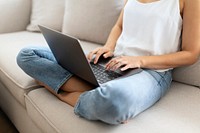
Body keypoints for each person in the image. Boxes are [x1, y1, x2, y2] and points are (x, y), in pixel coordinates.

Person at [17, 0, 200, 125]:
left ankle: (60, 92)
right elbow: (119, 25)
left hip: (151, 72)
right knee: (28, 54)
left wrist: (139, 60)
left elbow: (191, 53)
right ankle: (99, 93)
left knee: (115, 101)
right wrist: (108, 47)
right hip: (113, 62)